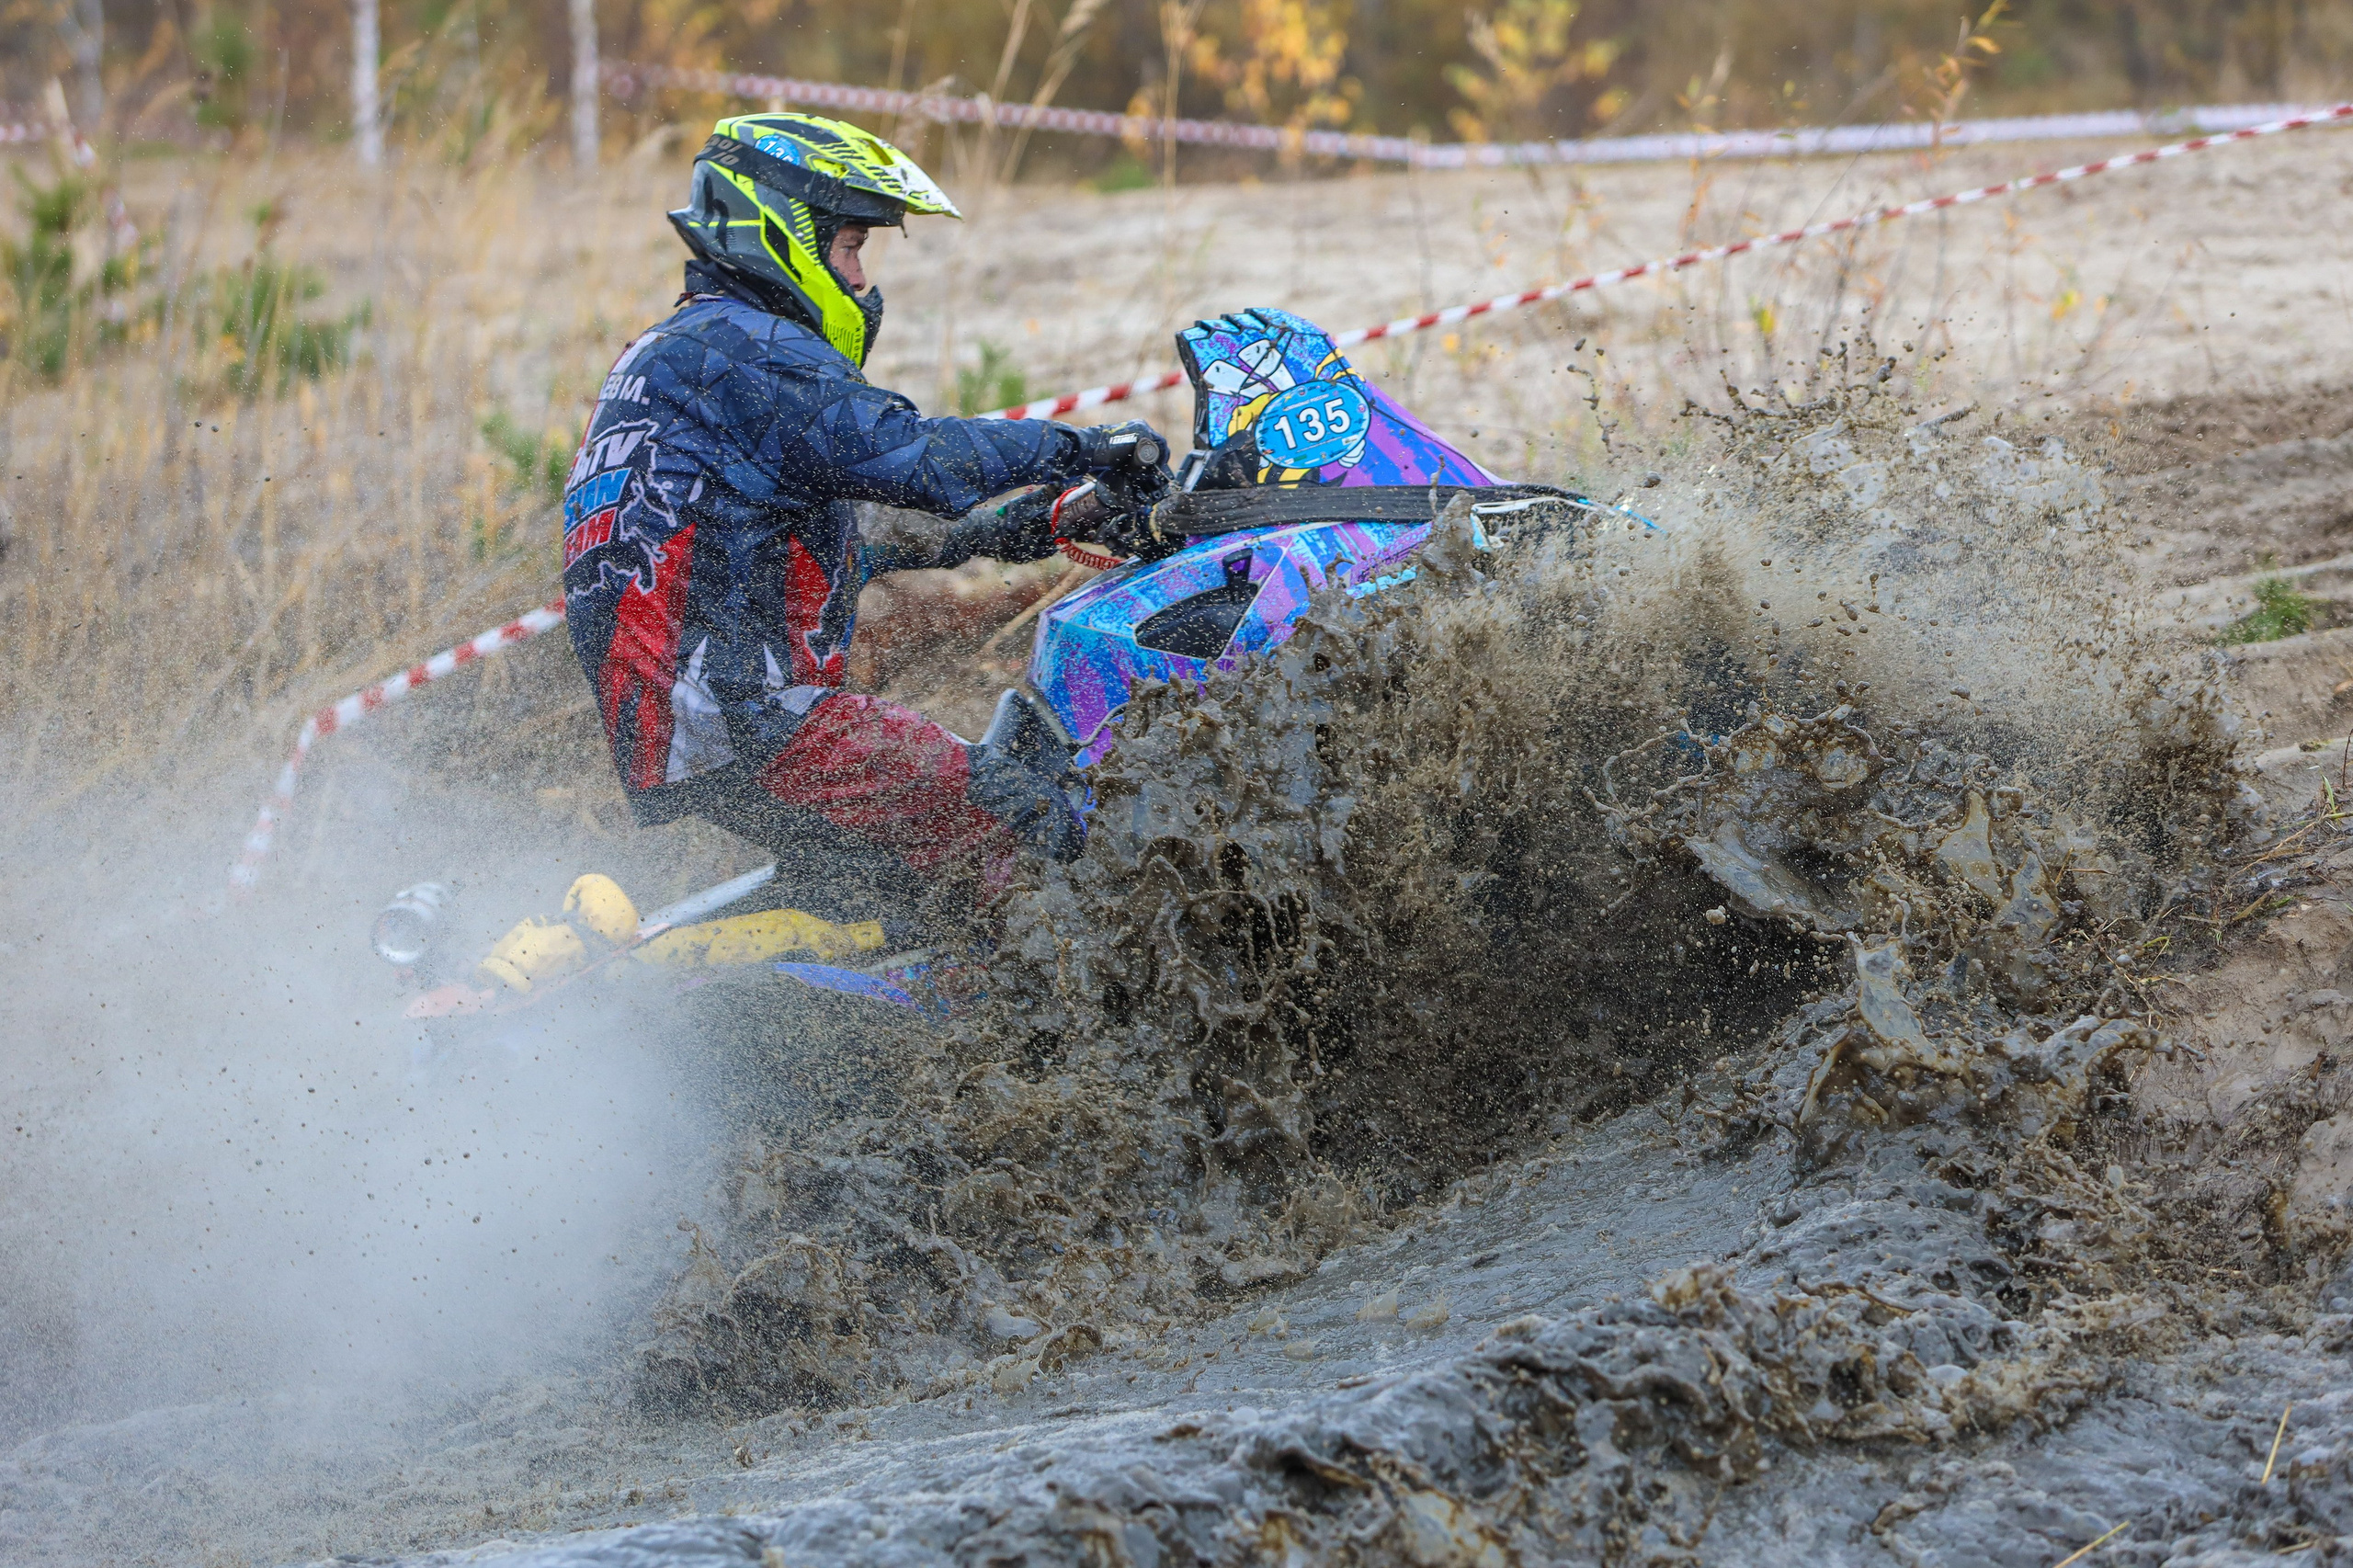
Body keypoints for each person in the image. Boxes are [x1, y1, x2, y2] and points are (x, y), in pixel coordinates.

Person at [560, 112, 1166, 926]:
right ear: (781, 233)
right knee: (1027, 821)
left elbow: (853, 542)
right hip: (754, 722)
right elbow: (914, 460)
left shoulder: (683, 353)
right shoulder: (744, 350)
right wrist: (1089, 446)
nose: (858, 280)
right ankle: (1078, 1020)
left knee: (903, 899)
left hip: (701, 736)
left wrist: (1053, 517)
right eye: (848, 247)